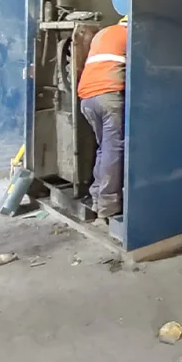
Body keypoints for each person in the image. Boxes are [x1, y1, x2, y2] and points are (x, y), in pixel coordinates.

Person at [77, 16, 128, 219]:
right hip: (109, 97)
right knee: (113, 149)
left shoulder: (103, 33)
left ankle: (97, 196)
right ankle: (109, 204)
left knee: (104, 148)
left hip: (87, 99)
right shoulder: (131, 35)